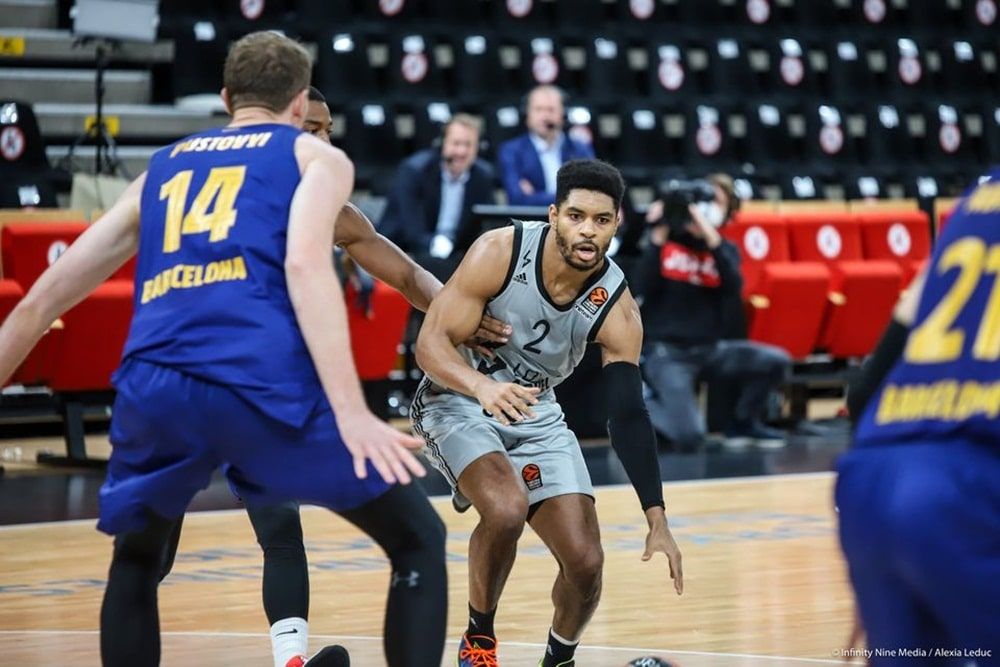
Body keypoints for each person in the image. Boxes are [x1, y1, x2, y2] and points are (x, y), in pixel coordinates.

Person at [0, 32, 446, 667]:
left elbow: (38, 304)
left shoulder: (160, 170)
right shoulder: (314, 159)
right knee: (418, 539)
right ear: (299, 104)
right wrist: (352, 411)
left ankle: (287, 649)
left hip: (154, 387)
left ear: (226, 97)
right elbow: (305, 267)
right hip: (253, 381)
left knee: (136, 563)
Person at [155, 85, 511, 667]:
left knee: (279, 526)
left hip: (250, 392)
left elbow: (407, 274)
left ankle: (290, 660)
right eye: (312, 129)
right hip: (197, 382)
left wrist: (458, 316)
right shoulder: (229, 197)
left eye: (328, 131)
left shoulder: (335, 213)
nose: (324, 141)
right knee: (153, 554)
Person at [412, 159, 684, 667]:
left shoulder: (616, 306)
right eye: (576, 216)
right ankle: (479, 642)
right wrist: (482, 387)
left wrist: (657, 517)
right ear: (554, 215)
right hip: (458, 398)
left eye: (601, 220)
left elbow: (627, 414)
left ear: (617, 223)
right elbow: (429, 345)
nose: (588, 231)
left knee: (586, 563)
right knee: (506, 508)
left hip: (535, 410)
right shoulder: (501, 250)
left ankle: (558, 660)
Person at [839, 169, 1000, 665]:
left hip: (874, 474)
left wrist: (885, 544)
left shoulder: (983, 196)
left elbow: (866, 387)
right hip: (967, 483)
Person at [634, 174, 790, 451]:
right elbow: (641, 286)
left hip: (710, 350)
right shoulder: (665, 242)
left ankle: (743, 422)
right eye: (701, 202)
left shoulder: (724, 250)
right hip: (667, 354)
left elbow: (733, 286)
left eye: (715, 202)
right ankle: (635, 407)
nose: (703, 210)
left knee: (775, 360)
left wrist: (708, 235)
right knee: (691, 437)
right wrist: (659, 231)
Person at [378, 113, 497, 281]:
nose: (461, 151)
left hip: (456, 255)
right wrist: (435, 244)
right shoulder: (415, 171)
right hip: (407, 251)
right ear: (442, 144)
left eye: (468, 145)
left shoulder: (483, 176)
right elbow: (412, 231)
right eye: (456, 143)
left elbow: (489, 224)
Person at [497, 85, 595, 207]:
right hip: (530, 218)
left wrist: (533, 196)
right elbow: (517, 199)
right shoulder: (511, 151)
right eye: (538, 110)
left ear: (563, 114)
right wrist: (571, 197)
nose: (545, 116)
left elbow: (590, 196)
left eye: (551, 110)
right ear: (527, 115)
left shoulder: (580, 149)